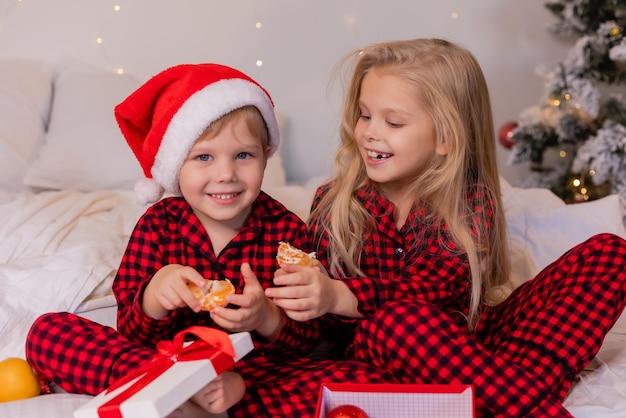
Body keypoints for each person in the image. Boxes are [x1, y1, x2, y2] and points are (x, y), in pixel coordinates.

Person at [227, 38, 626, 417]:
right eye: (365, 115)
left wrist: (341, 293)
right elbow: (323, 328)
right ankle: (517, 399)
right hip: (379, 354)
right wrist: (310, 299)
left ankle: (497, 391)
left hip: (473, 346)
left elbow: (436, 287)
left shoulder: (469, 203)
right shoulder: (336, 203)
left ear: (446, 140)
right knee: (398, 322)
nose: (368, 131)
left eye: (393, 122)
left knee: (611, 253)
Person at [25, 63, 319, 417]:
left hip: (255, 368)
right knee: (48, 332)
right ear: (175, 165)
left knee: (352, 375)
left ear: (264, 156)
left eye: (243, 155)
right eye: (204, 157)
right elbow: (131, 332)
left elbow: (311, 339)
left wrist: (267, 317)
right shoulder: (158, 226)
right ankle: (179, 386)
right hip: (163, 359)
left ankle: (219, 394)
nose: (225, 174)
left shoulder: (286, 231)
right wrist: (154, 297)